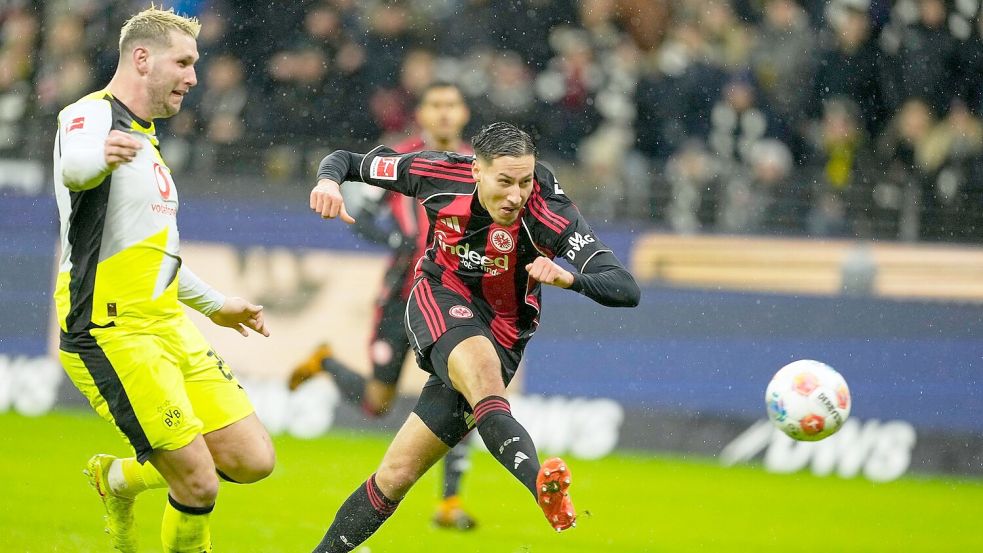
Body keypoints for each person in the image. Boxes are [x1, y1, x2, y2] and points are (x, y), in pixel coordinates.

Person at [308, 122, 640, 552]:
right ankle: (541, 486)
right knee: (483, 378)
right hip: (439, 296)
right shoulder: (438, 171)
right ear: (476, 170)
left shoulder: (550, 211)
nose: (516, 195)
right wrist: (328, 183)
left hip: (506, 335)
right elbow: (347, 161)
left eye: (524, 181)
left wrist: (570, 277)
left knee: (396, 475)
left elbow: (624, 287)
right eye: (504, 181)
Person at [53, 7, 275, 552]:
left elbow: (158, 254)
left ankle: (117, 479)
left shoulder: (146, 141)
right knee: (199, 483)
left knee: (252, 460)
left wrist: (217, 303)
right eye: (184, 62)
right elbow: (74, 165)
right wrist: (99, 159)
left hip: (164, 321)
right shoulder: (89, 116)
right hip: (108, 326)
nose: (194, 77)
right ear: (143, 58)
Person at [289, 81, 481, 530]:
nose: (445, 114)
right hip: (401, 296)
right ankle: (326, 364)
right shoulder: (401, 159)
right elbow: (356, 207)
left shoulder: (480, 164)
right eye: (436, 105)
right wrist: (395, 238)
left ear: (464, 112)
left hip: (455, 295)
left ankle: (450, 503)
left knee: (468, 389)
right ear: (423, 113)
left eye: (452, 104)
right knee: (378, 402)